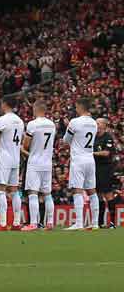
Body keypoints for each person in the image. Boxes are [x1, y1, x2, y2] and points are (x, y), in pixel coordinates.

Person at [0, 97, 25, 231]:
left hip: (4, 157)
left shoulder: (2, 120)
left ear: (4, 104)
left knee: (1, 189)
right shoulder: (20, 121)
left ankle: (3, 224)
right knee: (14, 191)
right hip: (16, 157)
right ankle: (16, 223)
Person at [64, 98, 99, 230]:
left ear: (80, 107)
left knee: (77, 190)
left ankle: (79, 223)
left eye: (76, 106)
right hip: (90, 158)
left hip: (78, 159)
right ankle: (95, 223)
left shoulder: (74, 122)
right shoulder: (94, 123)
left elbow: (66, 140)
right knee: (91, 190)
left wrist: (68, 126)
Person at [21, 100, 57, 231]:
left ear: (36, 109)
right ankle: (50, 222)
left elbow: (26, 145)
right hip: (47, 162)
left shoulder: (32, 124)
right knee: (47, 193)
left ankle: (34, 223)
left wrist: (21, 149)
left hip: (35, 161)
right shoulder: (52, 124)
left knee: (33, 193)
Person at [94, 118, 116, 228]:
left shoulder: (108, 137)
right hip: (95, 169)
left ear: (104, 125)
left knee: (108, 194)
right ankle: (100, 222)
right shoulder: (93, 137)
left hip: (106, 169)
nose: (96, 125)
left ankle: (112, 222)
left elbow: (106, 153)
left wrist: (92, 153)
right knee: (98, 195)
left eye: (98, 123)